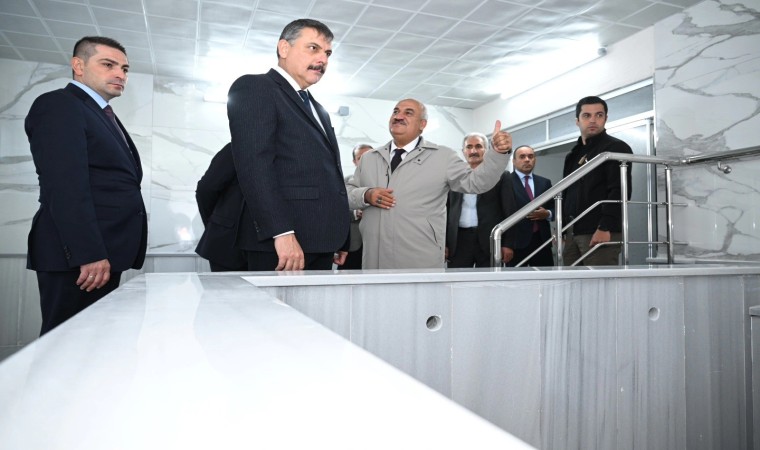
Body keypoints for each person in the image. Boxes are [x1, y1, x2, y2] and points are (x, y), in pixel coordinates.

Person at [25, 36, 147, 335]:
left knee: (93, 344)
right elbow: (65, 186)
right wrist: (88, 254)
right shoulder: (59, 105)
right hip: (80, 257)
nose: (120, 74)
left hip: (104, 253)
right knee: (66, 344)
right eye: (108, 64)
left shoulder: (100, 113)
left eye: (124, 69)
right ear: (78, 66)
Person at [227, 18, 349, 271]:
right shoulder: (256, 87)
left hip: (320, 241)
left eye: (327, 53)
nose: (323, 59)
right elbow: (254, 166)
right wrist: (281, 232)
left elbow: (330, 177)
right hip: (281, 244)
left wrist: (339, 236)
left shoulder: (319, 109)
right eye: (313, 48)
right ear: (284, 48)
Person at [347, 98, 513, 270]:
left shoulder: (443, 157)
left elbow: (477, 182)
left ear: (422, 124)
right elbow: (347, 193)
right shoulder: (369, 159)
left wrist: (498, 154)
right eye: (396, 111)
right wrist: (366, 195)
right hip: (375, 259)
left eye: (408, 113)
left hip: (420, 258)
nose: (398, 116)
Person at [562, 96, 633, 266]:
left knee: (600, 282)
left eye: (599, 115)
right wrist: (562, 229)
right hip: (572, 233)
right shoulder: (573, 154)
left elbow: (619, 191)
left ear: (605, 118)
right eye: (587, 115)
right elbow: (567, 193)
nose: (593, 120)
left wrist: (605, 227)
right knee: (570, 281)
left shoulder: (615, 148)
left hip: (600, 231)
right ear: (577, 121)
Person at [445, 133, 513, 268]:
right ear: (463, 151)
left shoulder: (501, 176)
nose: (473, 151)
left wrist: (508, 244)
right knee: (458, 280)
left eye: (478, 146)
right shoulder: (453, 176)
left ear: (486, 150)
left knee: (489, 280)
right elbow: (445, 211)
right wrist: (444, 243)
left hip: (490, 240)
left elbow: (509, 210)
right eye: (469, 147)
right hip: (458, 241)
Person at [195, 143, 247, 272]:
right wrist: (217, 222)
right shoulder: (237, 147)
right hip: (227, 245)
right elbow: (206, 190)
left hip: (267, 248)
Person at [504, 145, 555, 267]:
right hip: (515, 243)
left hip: (542, 241)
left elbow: (555, 207)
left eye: (530, 156)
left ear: (535, 160)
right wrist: (505, 244)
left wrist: (547, 214)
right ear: (514, 161)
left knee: (545, 276)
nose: (527, 160)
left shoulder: (544, 182)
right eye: (522, 157)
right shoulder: (505, 182)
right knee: (515, 277)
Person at [340, 144, 373, 270]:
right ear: (354, 161)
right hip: (352, 244)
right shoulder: (345, 182)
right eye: (361, 158)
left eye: (369, 156)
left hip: (378, 243)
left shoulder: (387, 181)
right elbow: (336, 210)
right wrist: (355, 214)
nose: (366, 160)